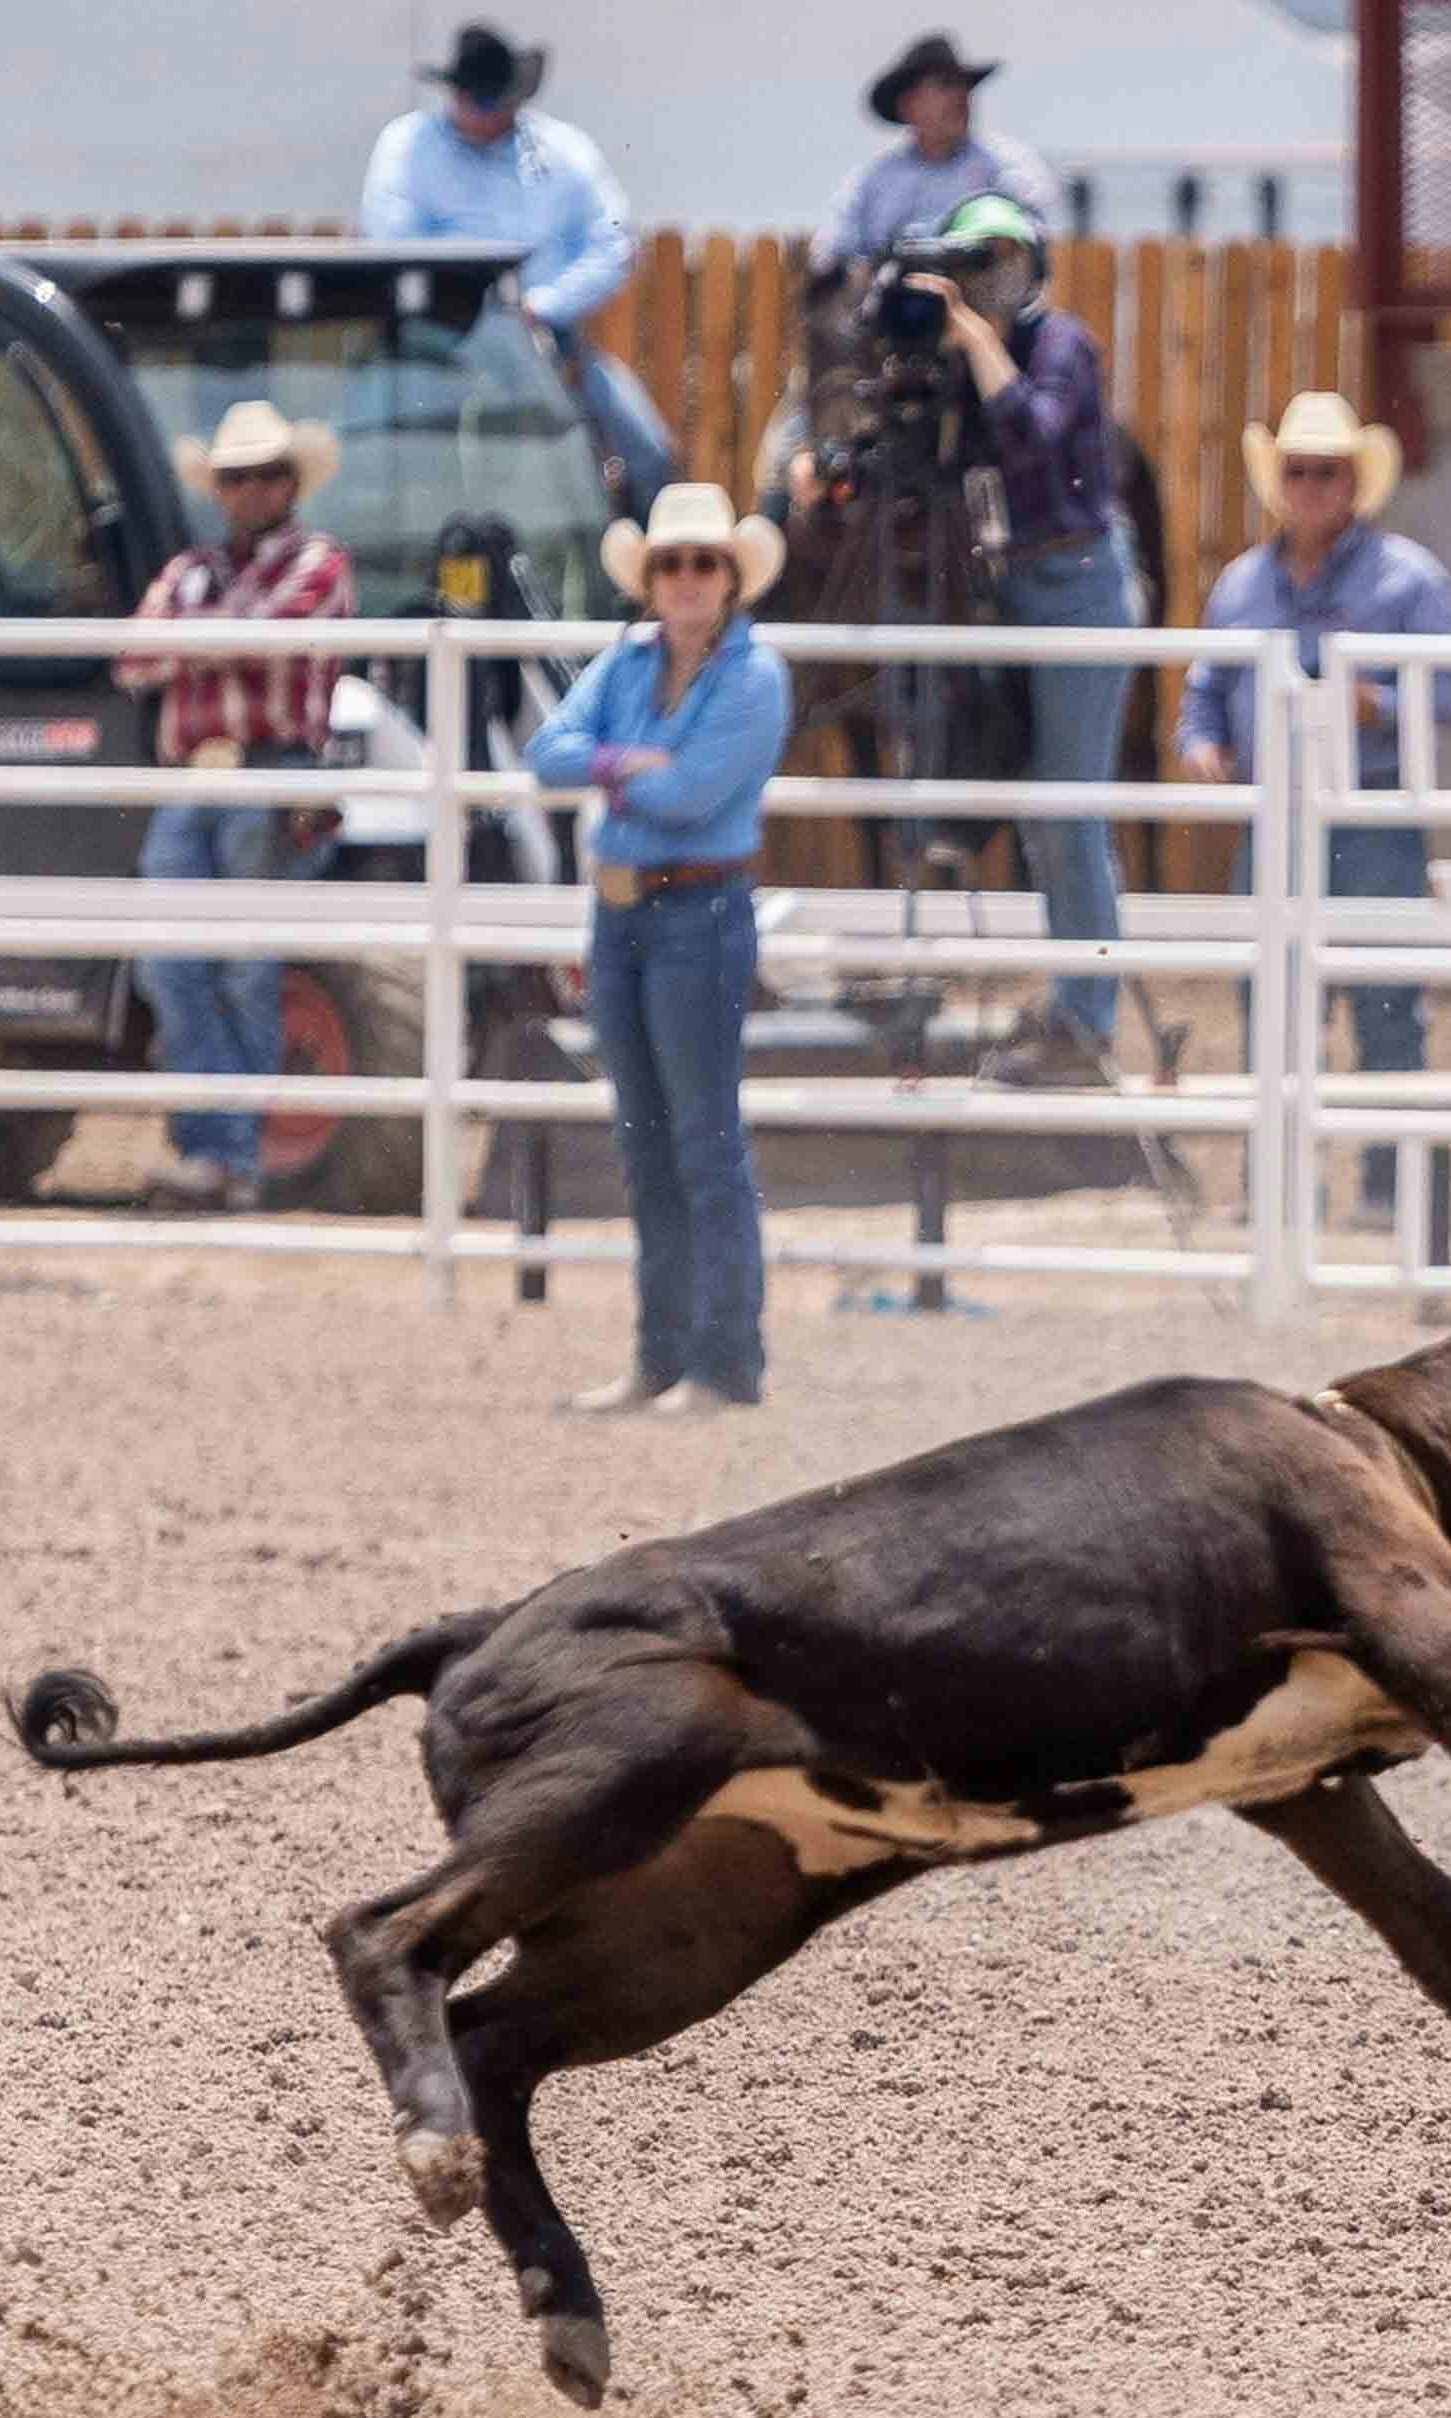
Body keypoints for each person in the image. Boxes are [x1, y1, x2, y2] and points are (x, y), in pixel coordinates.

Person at [1172, 392, 1451, 1222]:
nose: (1310, 486)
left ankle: (1387, 1186)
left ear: (1354, 483)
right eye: (1297, 471)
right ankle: (1283, 1187)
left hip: (1371, 810)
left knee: (1385, 1001)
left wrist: (1377, 705)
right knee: (1272, 1003)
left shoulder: (1407, 579)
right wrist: (1200, 742)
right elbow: (1202, 690)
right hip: (1275, 817)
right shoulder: (1243, 585)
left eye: (1326, 472)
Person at [528, 483, 795, 1416]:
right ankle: (667, 1355)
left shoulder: (754, 678)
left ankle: (721, 1362)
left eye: (702, 564)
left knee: (702, 1141)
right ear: (653, 580)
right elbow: (551, 754)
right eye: (673, 564)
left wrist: (610, 767)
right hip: (632, 917)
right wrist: (623, 765)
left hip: (693, 916)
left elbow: (690, 793)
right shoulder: (634, 662)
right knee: (650, 1142)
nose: (686, 579)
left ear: (728, 579)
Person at [886, 195, 1140, 1081]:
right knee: (1040, 814)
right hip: (1011, 585)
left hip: (1077, 584)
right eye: (970, 262)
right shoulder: (958, 358)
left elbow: (1032, 436)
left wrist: (977, 342)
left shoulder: (1063, 344)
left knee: (1070, 810)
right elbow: (928, 460)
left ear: (1033, 266)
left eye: (1001, 261)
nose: (986, 281)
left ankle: (1089, 1018)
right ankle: (1074, 1007)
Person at [111, 403, 356, 1213]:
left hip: (268, 773)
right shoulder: (194, 569)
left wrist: (196, 636)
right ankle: (216, 1149)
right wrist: (220, 634)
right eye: (236, 477)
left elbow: (267, 634)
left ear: (290, 483)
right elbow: (133, 659)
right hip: (201, 780)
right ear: (219, 489)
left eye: (264, 474)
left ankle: (233, 1153)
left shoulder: (318, 561)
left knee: (245, 969)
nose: (251, 489)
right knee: (172, 965)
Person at [357, 21, 672, 499]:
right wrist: (475, 301)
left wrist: (543, 304)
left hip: (545, 343)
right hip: (432, 348)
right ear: (456, 95)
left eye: (502, 101)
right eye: (482, 101)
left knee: (650, 452)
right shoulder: (407, 146)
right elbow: (390, 242)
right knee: (357, 452)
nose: (494, 114)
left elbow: (614, 243)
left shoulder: (562, 150)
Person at [815, 33, 1064, 272]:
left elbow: (1034, 239)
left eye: (965, 87)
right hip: (893, 309)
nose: (961, 97)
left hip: (987, 308)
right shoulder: (872, 181)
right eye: (946, 85)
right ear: (908, 105)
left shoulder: (1009, 164)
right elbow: (834, 252)